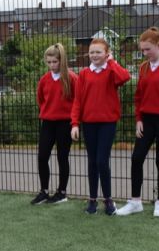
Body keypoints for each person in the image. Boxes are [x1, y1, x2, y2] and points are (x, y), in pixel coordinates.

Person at [71, 38, 130, 215]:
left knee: (102, 161)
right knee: (92, 162)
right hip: (89, 124)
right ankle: (92, 199)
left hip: (107, 123)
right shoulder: (83, 74)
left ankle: (108, 200)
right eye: (92, 52)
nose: (94, 55)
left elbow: (125, 77)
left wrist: (112, 62)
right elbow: (77, 101)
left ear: (106, 53)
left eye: (98, 52)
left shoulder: (111, 71)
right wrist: (75, 123)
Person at [116, 27, 159, 217]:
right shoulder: (143, 67)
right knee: (136, 158)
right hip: (146, 120)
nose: (144, 53)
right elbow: (138, 97)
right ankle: (135, 202)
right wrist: (138, 120)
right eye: (142, 50)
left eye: (147, 49)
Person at [31, 43, 78, 205]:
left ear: (61, 61)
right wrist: (48, 111)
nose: (52, 65)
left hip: (65, 123)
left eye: (55, 62)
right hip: (48, 123)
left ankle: (61, 192)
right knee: (42, 156)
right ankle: (44, 191)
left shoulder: (72, 78)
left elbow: (78, 101)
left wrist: (75, 123)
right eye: (49, 62)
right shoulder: (44, 80)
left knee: (62, 157)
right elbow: (40, 99)